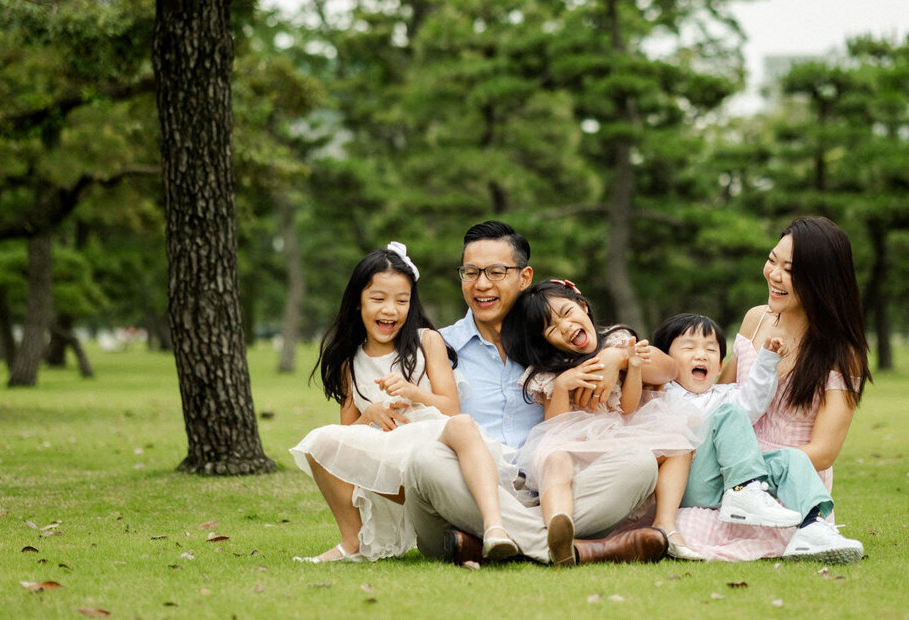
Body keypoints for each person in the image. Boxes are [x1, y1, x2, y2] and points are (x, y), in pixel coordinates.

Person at [403, 221, 668, 565]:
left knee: (640, 463)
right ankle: (578, 548)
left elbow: (664, 366)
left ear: (524, 277)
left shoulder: (556, 339)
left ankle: (487, 542)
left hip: (554, 488)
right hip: (469, 489)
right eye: (471, 272)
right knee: (424, 461)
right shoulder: (438, 345)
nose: (482, 284)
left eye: (496, 272)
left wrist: (617, 357)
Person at [289, 243, 519, 562]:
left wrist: (413, 393)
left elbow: (451, 409)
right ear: (358, 302)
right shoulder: (349, 363)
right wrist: (370, 413)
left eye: (402, 300)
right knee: (319, 443)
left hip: (433, 443)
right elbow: (345, 443)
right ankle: (352, 542)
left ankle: (496, 528)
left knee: (464, 425)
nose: (391, 310)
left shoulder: (426, 342)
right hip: (389, 461)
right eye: (378, 299)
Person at [673, 216, 870, 563]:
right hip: (727, 477)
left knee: (691, 526)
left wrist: (750, 472)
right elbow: (722, 402)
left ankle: (808, 529)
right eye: (771, 261)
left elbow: (823, 452)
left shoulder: (841, 353)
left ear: (820, 280)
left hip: (788, 483)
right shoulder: (755, 320)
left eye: (789, 269)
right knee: (672, 518)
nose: (773, 275)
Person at [502, 280, 702, 562]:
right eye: (551, 328)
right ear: (545, 341)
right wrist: (562, 386)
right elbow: (555, 430)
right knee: (555, 459)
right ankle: (559, 522)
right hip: (576, 449)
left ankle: (666, 525)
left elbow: (638, 398)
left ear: (583, 306)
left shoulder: (618, 341)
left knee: (679, 445)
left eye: (567, 312)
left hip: (616, 440)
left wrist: (624, 362)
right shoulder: (550, 373)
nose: (565, 326)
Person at [652, 313, 856, 561]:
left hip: (722, 483)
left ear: (719, 367)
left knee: (790, 460)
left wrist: (767, 360)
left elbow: (754, 399)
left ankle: (813, 526)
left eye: (710, 349)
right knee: (730, 413)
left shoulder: (724, 395)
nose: (701, 355)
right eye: (689, 347)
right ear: (667, 362)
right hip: (686, 480)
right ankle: (743, 490)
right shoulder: (661, 393)